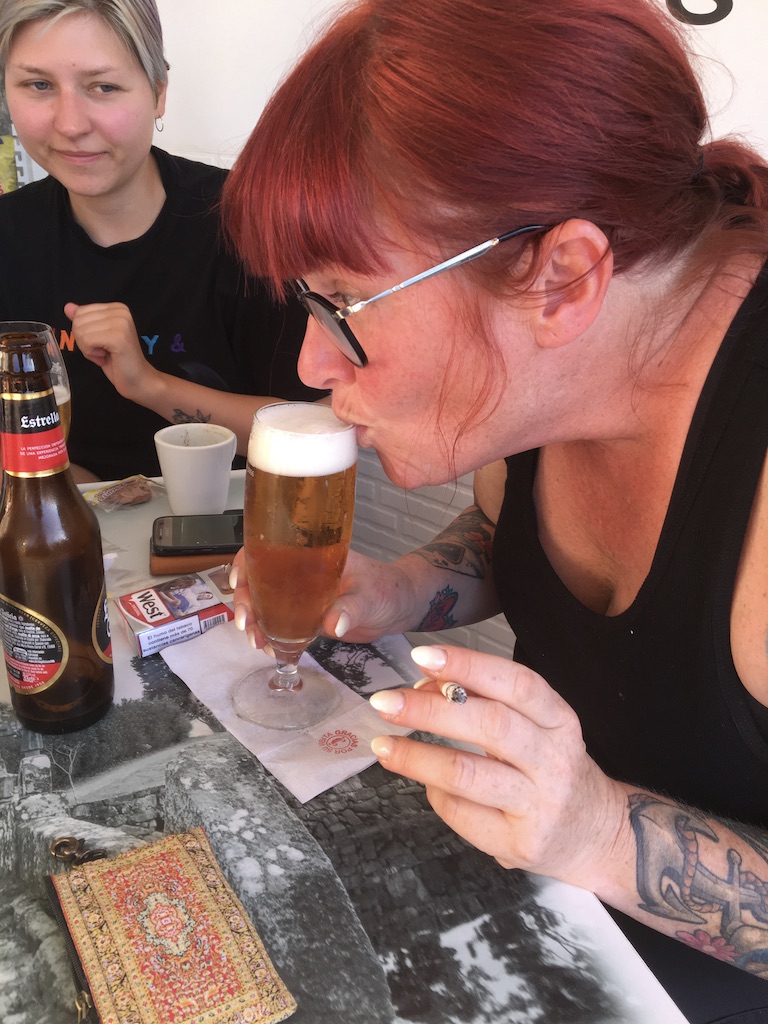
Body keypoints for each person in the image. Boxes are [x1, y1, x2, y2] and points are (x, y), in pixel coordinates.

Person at [221, 0, 768, 1020]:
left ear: (561, 278)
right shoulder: (544, 382)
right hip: (547, 925)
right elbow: (510, 538)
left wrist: (599, 832)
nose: (310, 363)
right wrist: (398, 588)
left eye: (342, 303)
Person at [0, 0, 321, 483]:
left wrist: (148, 385)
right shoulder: (10, 233)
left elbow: (314, 427)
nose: (70, 124)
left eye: (104, 87)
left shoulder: (249, 221)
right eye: (39, 85)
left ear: (158, 92)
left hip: (228, 515)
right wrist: (71, 494)